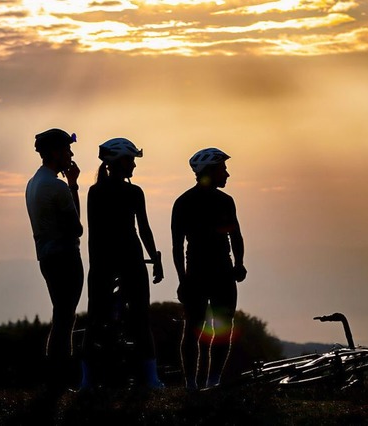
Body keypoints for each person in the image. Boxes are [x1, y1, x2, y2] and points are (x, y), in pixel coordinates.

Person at [82, 137, 165, 390]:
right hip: (132, 260)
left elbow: (93, 233)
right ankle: (150, 379)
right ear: (119, 162)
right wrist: (156, 258)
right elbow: (145, 230)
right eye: (131, 160)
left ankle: (87, 381)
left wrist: (95, 266)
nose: (134, 166)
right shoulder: (133, 192)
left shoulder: (95, 192)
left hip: (103, 263)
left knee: (95, 320)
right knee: (141, 319)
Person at [171, 147, 247, 390]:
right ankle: (210, 381)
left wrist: (183, 279)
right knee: (221, 327)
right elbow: (235, 236)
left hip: (197, 272)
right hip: (220, 272)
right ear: (210, 171)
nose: (227, 174)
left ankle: (194, 384)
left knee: (193, 328)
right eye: (223, 169)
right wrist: (238, 264)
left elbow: (177, 246)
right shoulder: (224, 201)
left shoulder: (183, 202)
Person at [25, 128, 83, 397]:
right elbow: (77, 228)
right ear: (56, 153)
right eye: (67, 150)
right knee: (65, 318)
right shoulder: (58, 187)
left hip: (46, 256)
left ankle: (55, 379)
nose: (71, 155)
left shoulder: (33, 183)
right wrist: (73, 186)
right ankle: (59, 381)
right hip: (65, 257)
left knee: (61, 316)